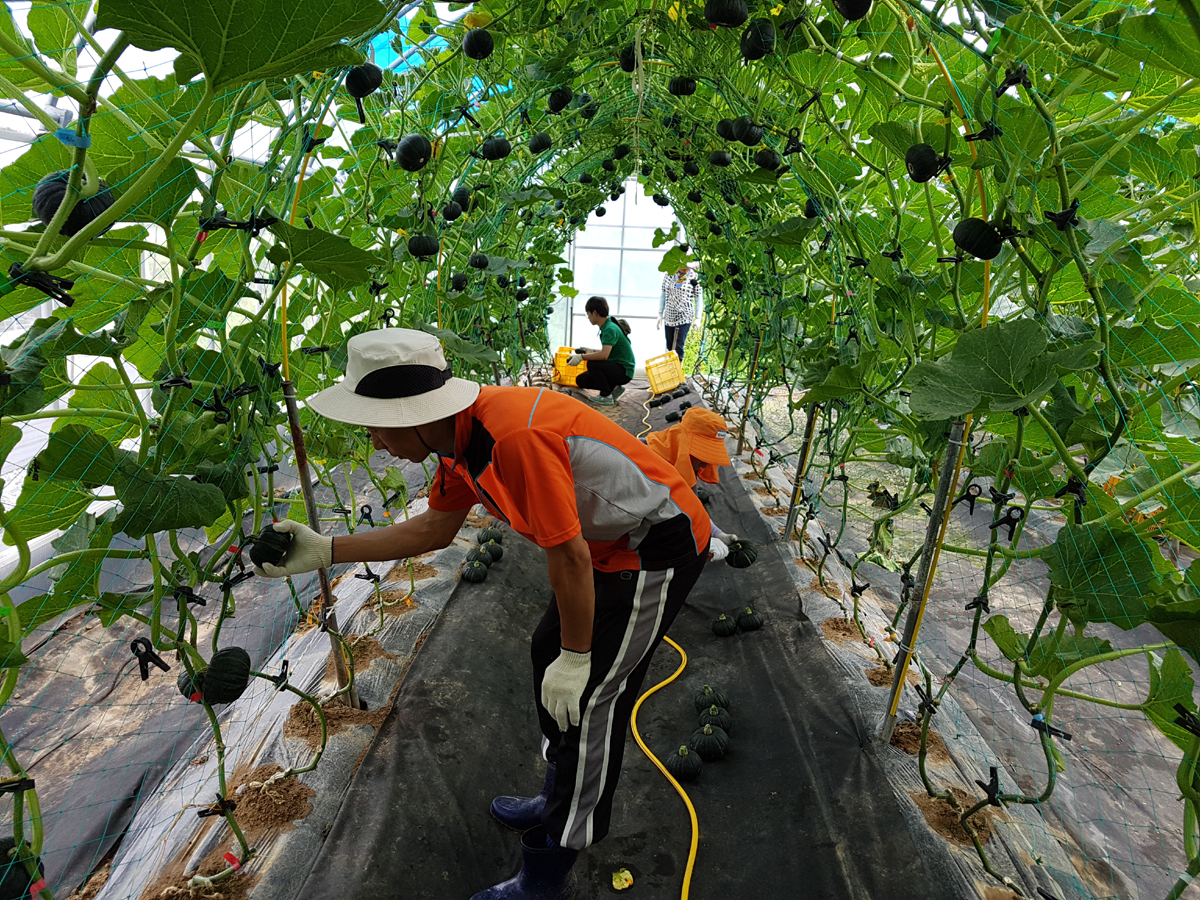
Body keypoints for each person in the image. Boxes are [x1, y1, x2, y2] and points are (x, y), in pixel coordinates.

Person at [253, 328, 730, 900]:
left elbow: (569, 555)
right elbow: (436, 527)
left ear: (411, 414)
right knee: (543, 652)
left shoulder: (512, 438)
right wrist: (326, 549)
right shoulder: (458, 443)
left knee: (592, 697)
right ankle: (557, 791)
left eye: (375, 425)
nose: (375, 442)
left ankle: (551, 865)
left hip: (656, 545)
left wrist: (578, 659)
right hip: (606, 548)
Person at [645, 406, 739, 561]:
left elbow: (691, 509)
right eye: (702, 454)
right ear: (682, 442)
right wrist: (696, 540)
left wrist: (716, 533)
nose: (704, 465)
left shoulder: (684, 466)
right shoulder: (643, 466)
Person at [567, 296, 634, 406]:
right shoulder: (607, 325)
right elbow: (608, 350)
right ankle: (614, 388)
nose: (588, 318)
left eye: (588, 314)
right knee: (581, 380)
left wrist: (581, 357)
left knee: (593, 364)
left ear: (594, 313)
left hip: (624, 371)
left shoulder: (609, 329)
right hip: (616, 365)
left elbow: (604, 355)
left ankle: (606, 395)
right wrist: (590, 351)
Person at [657, 265, 702, 362]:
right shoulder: (669, 275)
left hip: (685, 315)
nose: (685, 268)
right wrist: (660, 313)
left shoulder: (695, 276)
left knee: (678, 346)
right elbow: (664, 293)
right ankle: (670, 369)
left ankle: (678, 371)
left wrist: (698, 318)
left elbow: (698, 297)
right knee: (669, 345)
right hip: (669, 314)